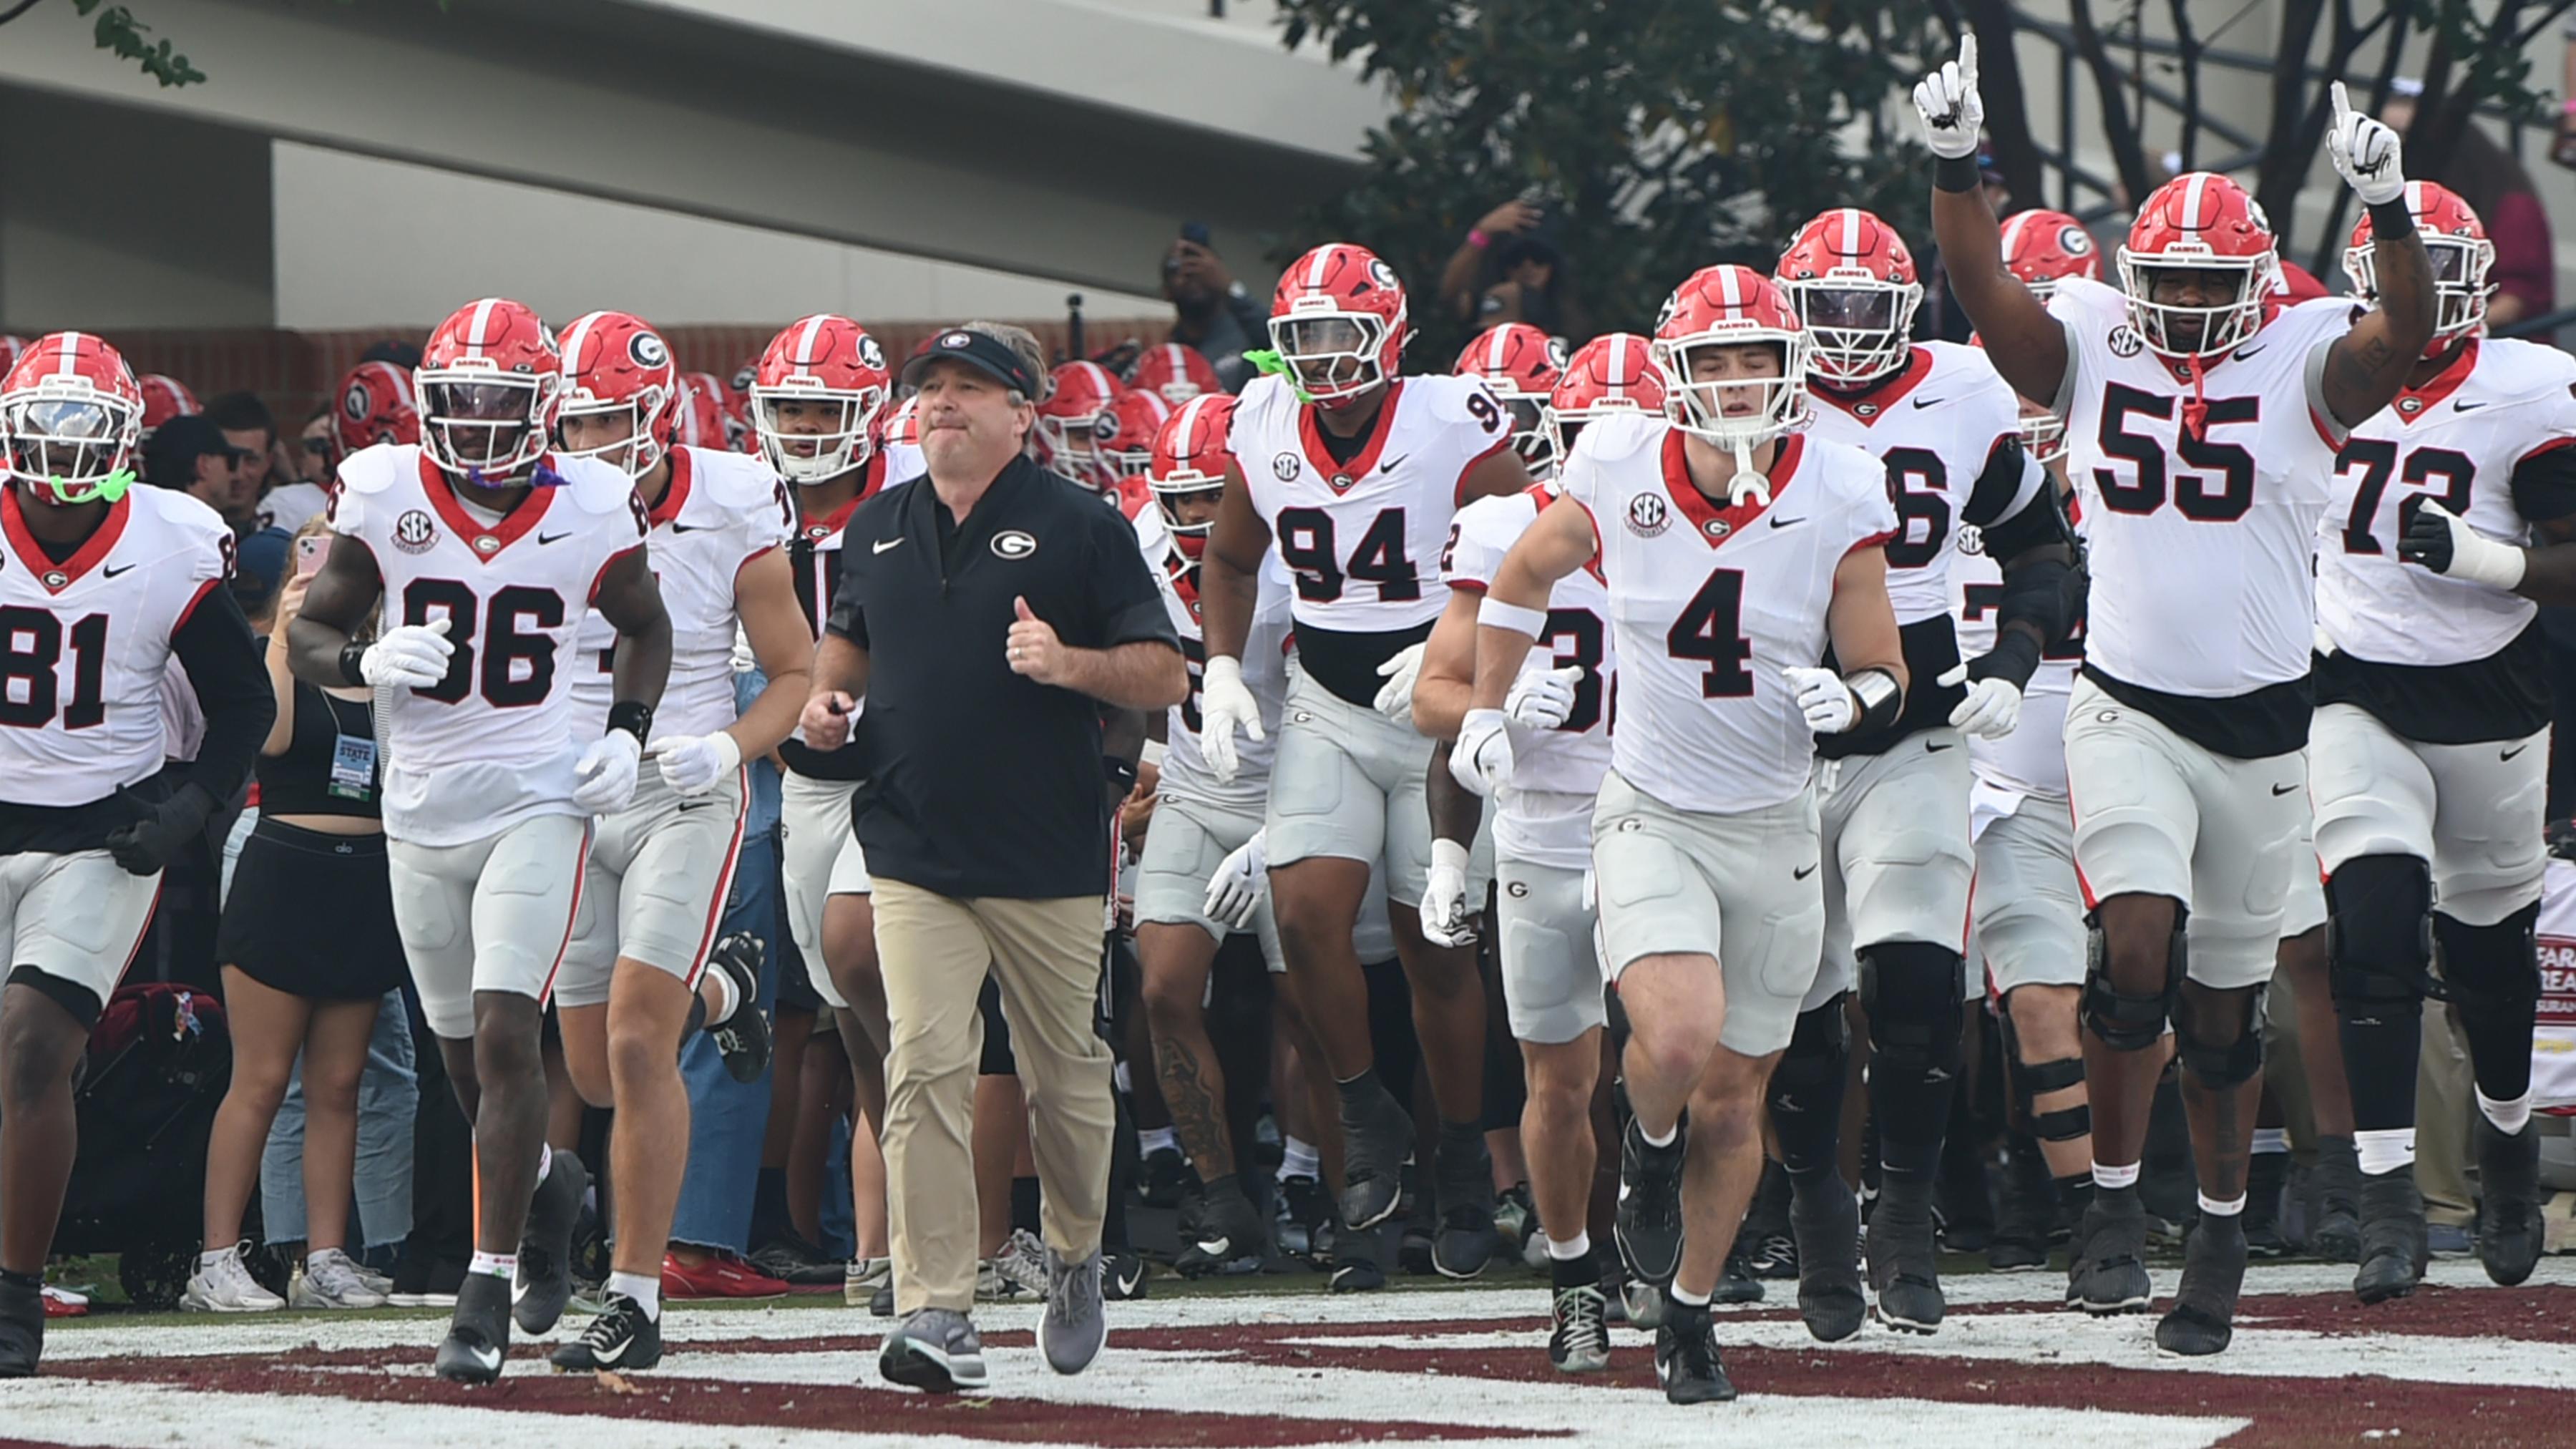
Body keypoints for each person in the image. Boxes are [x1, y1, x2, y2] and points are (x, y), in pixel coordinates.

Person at [1916, 40, 2435, 1353]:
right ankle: (2102, 1208)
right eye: (2169, 280)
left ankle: (2214, 1223)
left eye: (2212, 280)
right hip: (2126, 701)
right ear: (2129, 279)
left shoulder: (2309, 355)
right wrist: (1955, 163)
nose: (2191, 301)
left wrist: (2387, 212)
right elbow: (1980, 289)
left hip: (2265, 723)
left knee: (2223, 1008)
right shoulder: (2091, 336)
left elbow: (2411, 333)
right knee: (2132, 945)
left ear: (2258, 283)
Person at [1453, 265, 1905, 1402]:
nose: (1744, 382)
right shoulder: (1612, 461)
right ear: (1678, 376)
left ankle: (1692, 1313)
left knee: (1738, 1099)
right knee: (1674, 1042)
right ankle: (1644, 1157)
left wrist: (1855, 705)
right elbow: (1522, 572)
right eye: (1720, 361)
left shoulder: (1843, 484)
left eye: (1761, 359)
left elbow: (1885, 665)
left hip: (1776, 821)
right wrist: (1488, 706)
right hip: (1650, 807)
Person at [287, 296, 672, 1383]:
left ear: (542, 404)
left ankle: (486, 1284)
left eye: (504, 398)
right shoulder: (387, 489)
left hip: (538, 800)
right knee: (466, 1063)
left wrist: (629, 733)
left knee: (510, 1037)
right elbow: (311, 627)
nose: (482, 419)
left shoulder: (592, 502)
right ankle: (550, 1185)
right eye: (461, 399)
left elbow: (647, 625)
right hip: (418, 809)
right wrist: (359, 662)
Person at [797, 321, 1186, 1392]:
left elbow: (1164, 675)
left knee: (1066, 1077)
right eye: (932, 389)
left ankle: (1072, 1254)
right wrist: (828, 704)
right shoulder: (874, 522)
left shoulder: (1083, 525)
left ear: (1026, 411)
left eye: (972, 389)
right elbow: (849, 637)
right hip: (910, 842)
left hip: (1048, 847)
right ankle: (939, 1308)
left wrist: (1067, 663)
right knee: (925, 1063)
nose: (944, 406)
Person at [1770, 205, 2082, 1336]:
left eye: (1870, 308)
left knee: (1911, 987)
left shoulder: (1960, 390)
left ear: (1910, 311)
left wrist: (2011, 656)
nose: (1848, 332)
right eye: (1827, 309)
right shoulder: (1746, 387)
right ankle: (1812, 1209)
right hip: (1768, 733)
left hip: (1917, 715)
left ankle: (1901, 1217)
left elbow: (2041, 543)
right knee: (1796, 1006)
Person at [1197, 243, 1535, 1277]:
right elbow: (1229, 554)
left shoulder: (1454, 420)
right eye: (1305, 339)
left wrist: (1476, 666)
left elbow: (1526, 551)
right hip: (1329, 702)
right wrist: (1217, 664)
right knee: (1300, 910)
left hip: (1434, 703)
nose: (1328, 359)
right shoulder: (1260, 421)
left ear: (1388, 334)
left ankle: (1469, 1163)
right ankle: (1363, 1109)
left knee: (1437, 944)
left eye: (1344, 334)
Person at [2312, 181, 2570, 1303]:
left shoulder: (2530, 390)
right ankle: (2385, 1195)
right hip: (2352, 682)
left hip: (2492, 697)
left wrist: (2485, 559)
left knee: (2490, 963)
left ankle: (2507, 1145)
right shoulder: (2316, 370)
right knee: (2368, 928)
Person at [541, 309, 811, 1370]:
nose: (592, 445)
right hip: (572, 790)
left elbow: (794, 674)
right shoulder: (536, 501)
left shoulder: (734, 497)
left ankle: (636, 1295)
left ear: (656, 418)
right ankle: (728, 986)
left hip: (685, 790)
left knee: (641, 1043)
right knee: (592, 1067)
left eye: (613, 423)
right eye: (577, 424)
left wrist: (730, 747)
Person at [0, 333, 273, 1375]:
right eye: (46, 427)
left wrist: (190, 807)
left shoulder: (170, 538)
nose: (65, 456)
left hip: (101, 834)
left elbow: (244, 701)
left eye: (86, 430)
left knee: (34, 1044)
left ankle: (15, 1296)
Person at [1413, 331, 1657, 1371]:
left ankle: (1656, 1228)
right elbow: (1436, 697)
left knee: (1671, 1052)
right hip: (1544, 826)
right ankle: (1575, 1281)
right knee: (1557, 1076)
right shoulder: (1505, 526)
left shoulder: (1706, 524)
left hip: (1664, 819)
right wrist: (1497, 707)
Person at [189, 517, 404, 1313]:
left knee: (340, 1084)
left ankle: (325, 1258)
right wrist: (285, 628)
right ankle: (215, 1259)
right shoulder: (279, 653)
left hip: (366, 878)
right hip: (287, 869)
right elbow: (271, 739)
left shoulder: (385, 662)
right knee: (263, 1077)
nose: (327, 570)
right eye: (313, 554)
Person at [749, 312, 910, 1304]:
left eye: (824, 406)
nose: (806, 427)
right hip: (805, 785)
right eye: (791, 407)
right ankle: (880, 1250)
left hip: (905, 772)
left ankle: (916, 1238)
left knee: (874, 973)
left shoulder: (913, 496)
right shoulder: (744, 501)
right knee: (852, 1025)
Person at [1956, 211, 2104, 1274]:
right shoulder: (1946, 410)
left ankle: (2112, 1192)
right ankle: (1956, 1178)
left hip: (2094, 717)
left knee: (2126, 970)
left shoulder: (2128, 402)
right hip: (1962, 725)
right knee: (1918, 990)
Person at [1126, 394, 1297, 1277]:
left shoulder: (1301, 550)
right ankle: (1221, 1192)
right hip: (1193, 793)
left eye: (1211, 498)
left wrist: (1287, 827)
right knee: (1163, 989)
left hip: (1297, 793)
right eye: (1181, 500)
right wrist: (1141, 767)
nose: (1197, 520)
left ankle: (1314, 1184)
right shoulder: (1139, 553)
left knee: (1310, 1001)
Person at [1439, 198, 1589, 339]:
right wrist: (1481, 233)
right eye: (1516, 258)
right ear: (1503, 265)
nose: (1528, 266)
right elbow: (1451, 295)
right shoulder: (1488, 304)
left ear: (1553, 265)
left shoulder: (1567, 321)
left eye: (1540, 257)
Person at [1160, 228, 1267, 392]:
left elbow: (1276, 339)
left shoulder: (1248, 333)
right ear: (1166, 291)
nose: (1191, 272)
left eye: (1201, 266)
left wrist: (1230, 288)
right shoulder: (1167, 354)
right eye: (1176, 268)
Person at [146, 414, 257, 530]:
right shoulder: (204, 532)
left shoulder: (145, 523)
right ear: (203, 465)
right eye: (230, 463)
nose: (235, 475)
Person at [205, 391, 278, 504]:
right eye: (229, 459)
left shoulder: (291, 517)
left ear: (269, 462)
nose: (238, 475)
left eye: (251, 460)